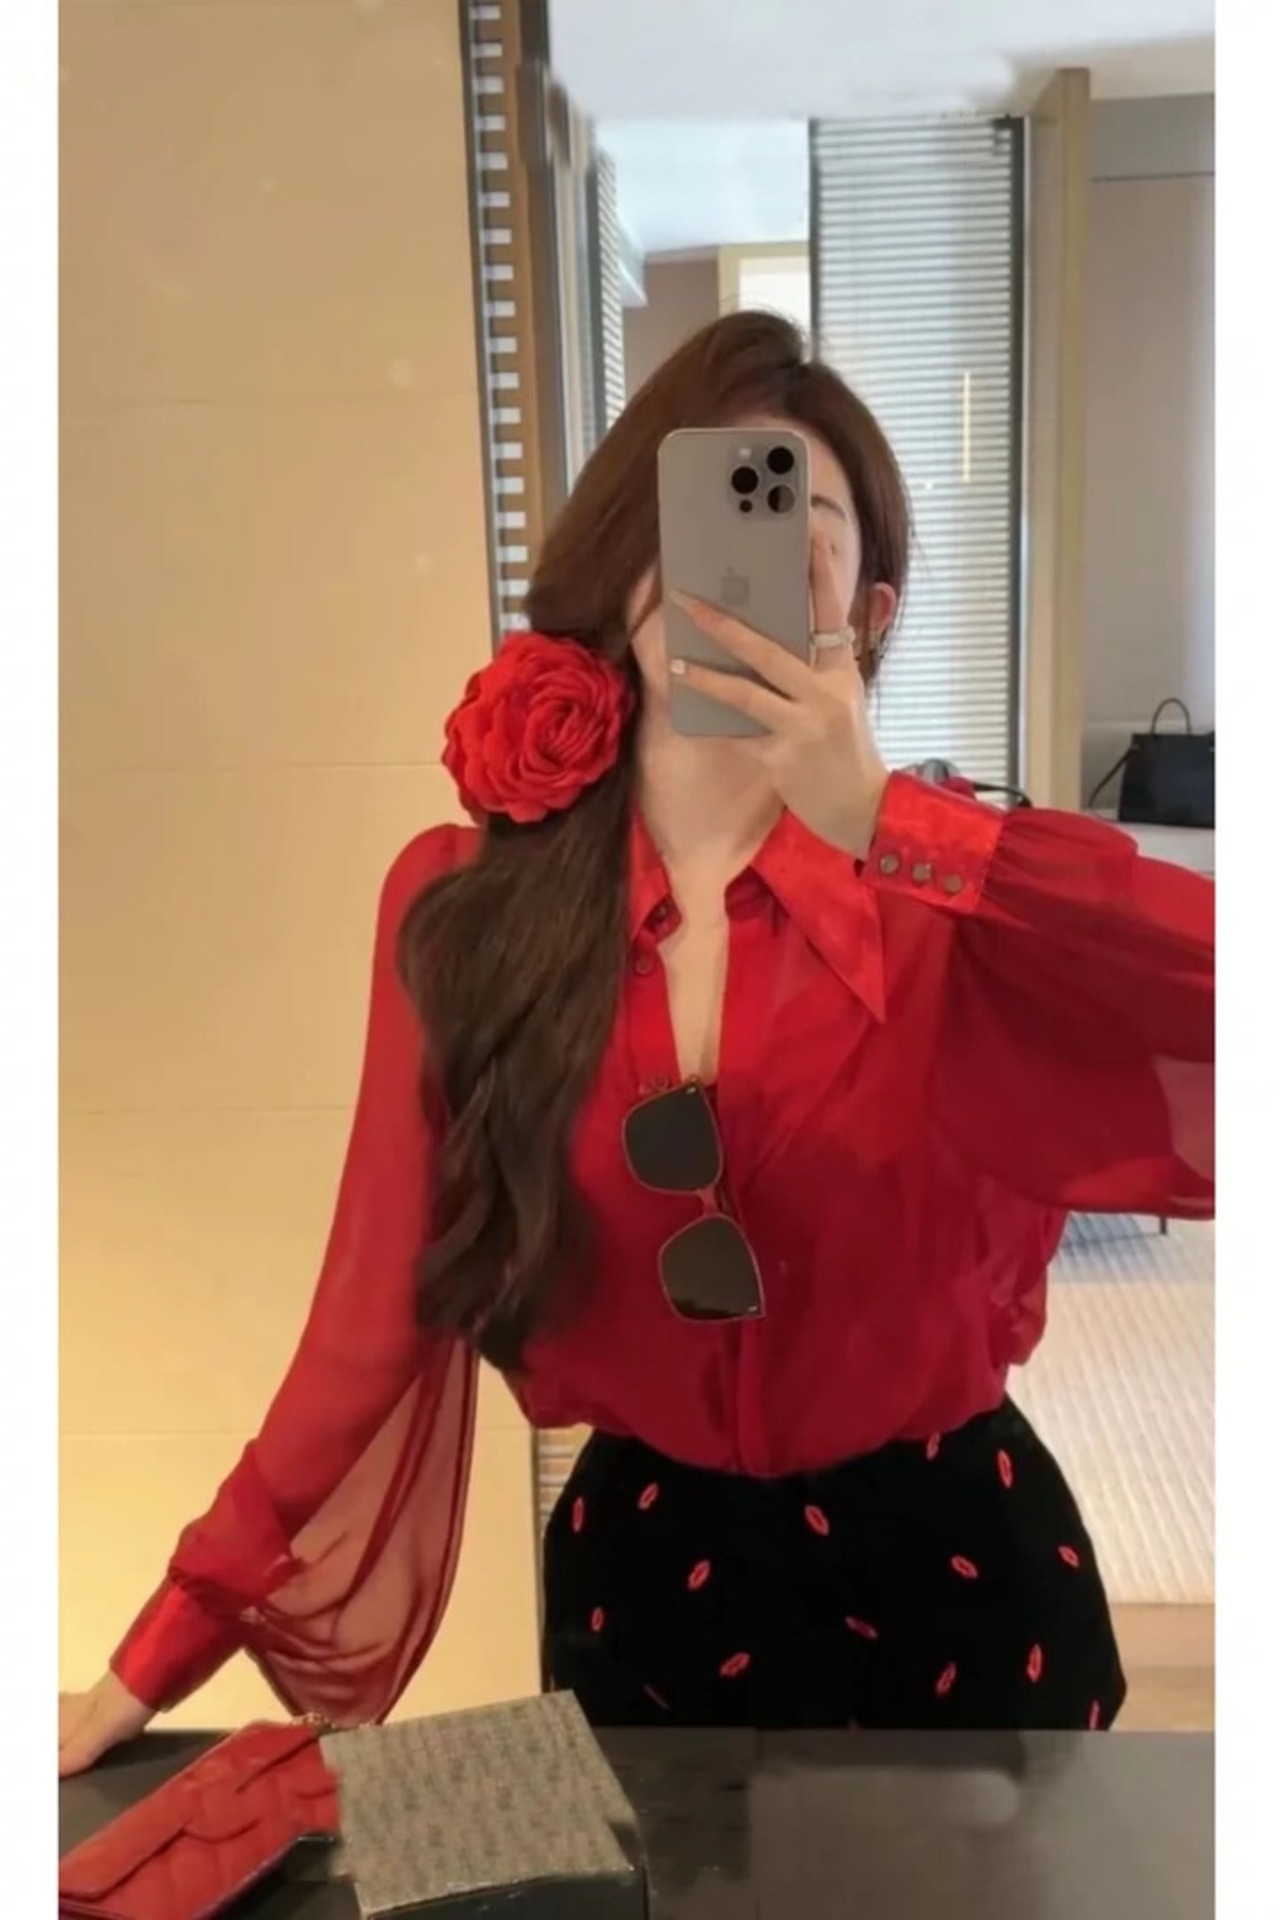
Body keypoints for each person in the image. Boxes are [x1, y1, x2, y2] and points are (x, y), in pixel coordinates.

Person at [59, 311, 1213, 1772]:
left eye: (794, 513)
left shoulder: (966, 896)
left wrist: (887, 823)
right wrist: (153, 1656)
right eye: (700, 497)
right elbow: (369, 1318)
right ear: (623, 555)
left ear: (868, 609)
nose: (735, 546)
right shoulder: (469, 912)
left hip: (960, 1580)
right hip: (650, 1591)